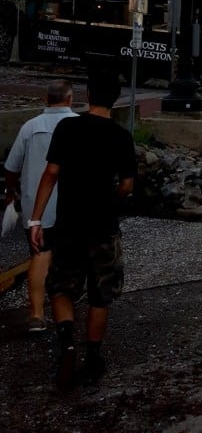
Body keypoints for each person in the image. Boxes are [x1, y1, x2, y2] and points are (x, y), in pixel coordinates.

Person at [29, 69, 137, 391]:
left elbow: (50, 173)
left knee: (61, 287)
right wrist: (111, 196)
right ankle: (93, 357)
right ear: (116, 100)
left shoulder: (68, 127)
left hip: (69, 226)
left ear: (87, 96)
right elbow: (128, 185)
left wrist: (36, 219)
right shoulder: (121, 137)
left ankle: (66, 344)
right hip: (104, 227)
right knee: (99, 296)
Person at [4, 80, 77, 334]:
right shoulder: (78, 125)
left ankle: (36, 313)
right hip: (71, 203)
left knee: (39, 254)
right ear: (70, 99)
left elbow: (11, 167)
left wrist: (10, 191)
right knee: (70, 255)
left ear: (46, 99)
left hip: (36, 204)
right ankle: (67, 307)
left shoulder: (30, 127)